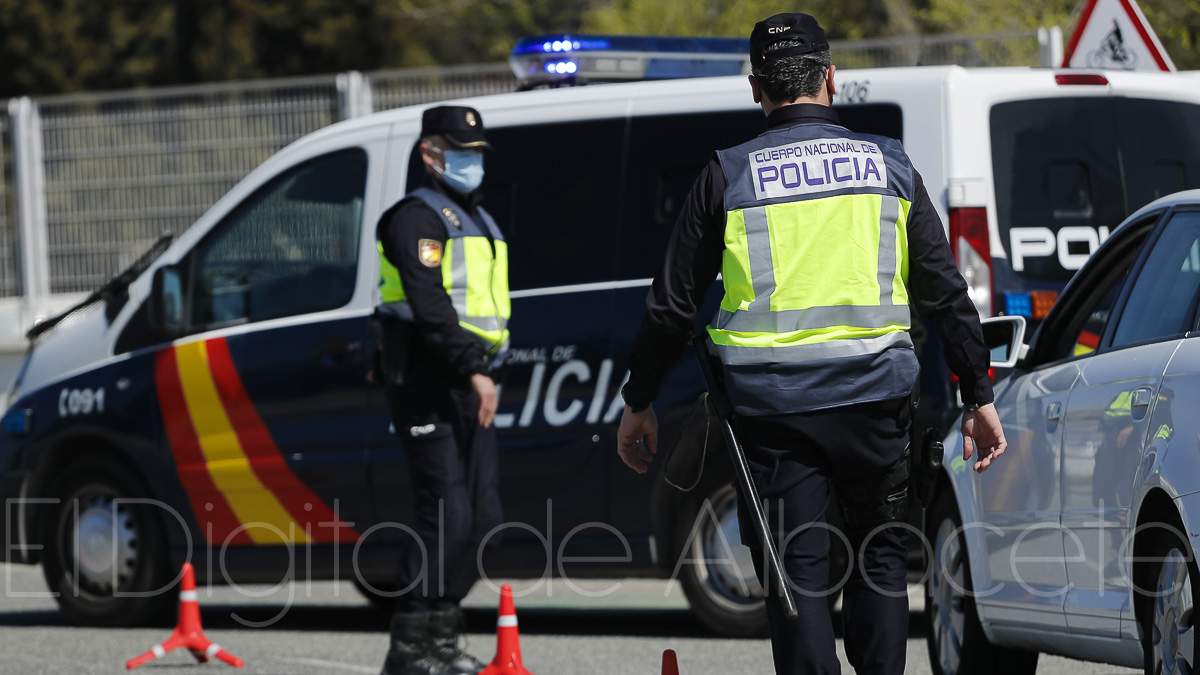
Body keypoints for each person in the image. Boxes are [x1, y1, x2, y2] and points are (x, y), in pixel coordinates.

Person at [615, 13, 1007, 675]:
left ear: (754, 88)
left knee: (796, 570)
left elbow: (671, 305)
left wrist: (640, 400)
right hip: (876, 403)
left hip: (775, 412)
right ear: (832, 78)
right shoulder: (889, 165)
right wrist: (978, 393)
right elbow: (944, 291)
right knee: (880, 557)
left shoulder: (726, 176)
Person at [375, 105, 509, 675]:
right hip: (429, 380)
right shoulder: (415, 218)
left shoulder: (476, 218)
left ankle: (442, 636)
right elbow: (429, 306)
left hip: (471, 379)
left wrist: (484, 370)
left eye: (478, 153)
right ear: (430, 154)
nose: (472, 162)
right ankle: (408, 649)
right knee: (446, 514)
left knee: (483, 520)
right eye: (461, 151)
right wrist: (473, 369)